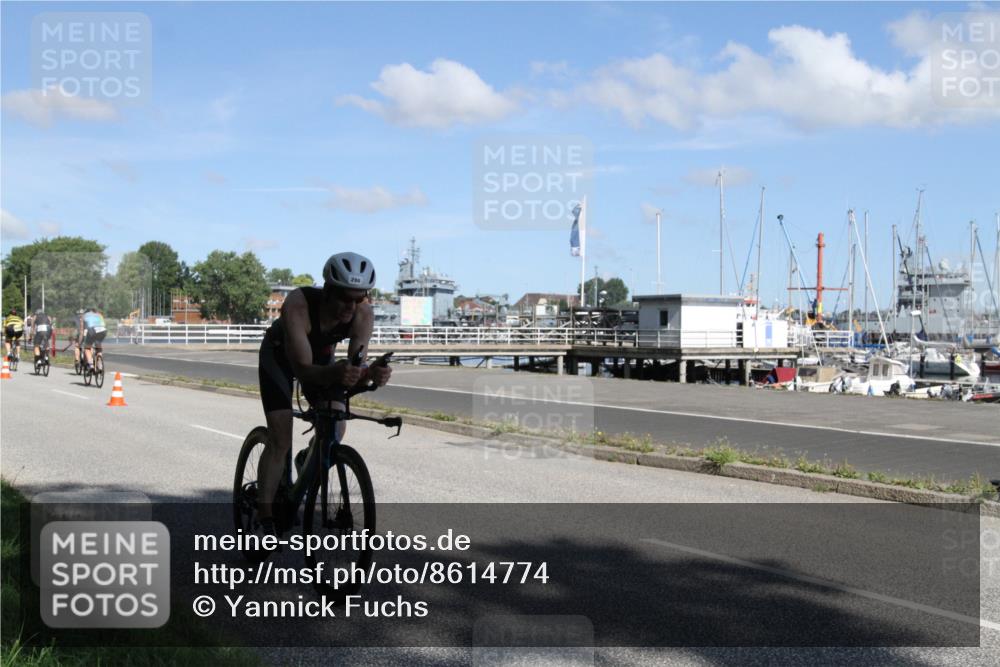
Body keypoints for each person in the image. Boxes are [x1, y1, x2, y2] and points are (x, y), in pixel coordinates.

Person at [256, 252, 391, 535]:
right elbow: (304, 370)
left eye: (359, 298)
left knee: (336, 424)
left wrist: (371, 374)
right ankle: (265, 514)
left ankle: (308, 460)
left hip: (320, 359)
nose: (351, 306)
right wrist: (339, 372)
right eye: (345, 297)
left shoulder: (363, 313)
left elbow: (355, 365)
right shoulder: (298, 305)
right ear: (328, 290)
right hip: (280, 357)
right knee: (280, 438)